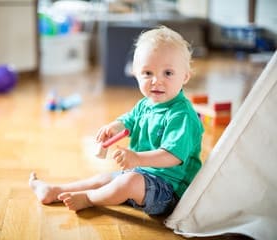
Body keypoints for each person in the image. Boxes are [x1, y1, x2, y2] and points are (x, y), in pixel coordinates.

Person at [29, 26, 204, 215]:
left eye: (168, 73)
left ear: (185, 76)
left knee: (128, 182)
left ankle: (89, 199)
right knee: (104, 179)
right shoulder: (145, 104)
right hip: (140, 177)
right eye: (147, 73)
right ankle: (55, 191)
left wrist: (137, 158)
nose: (156, 81)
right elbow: (128, 121)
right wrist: (113, 128)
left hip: (170, 191)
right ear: (135, 74)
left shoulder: (182, 115)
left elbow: (172, 156)